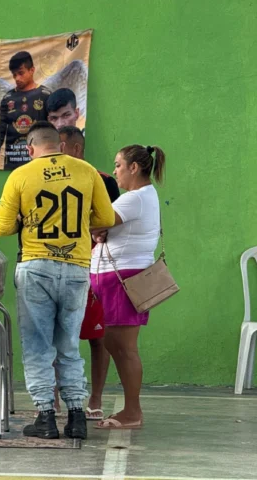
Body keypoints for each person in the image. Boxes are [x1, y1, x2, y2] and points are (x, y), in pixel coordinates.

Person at [0, 121, 115, 440]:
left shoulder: (21, 175)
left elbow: (2, 227)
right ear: (60, 146)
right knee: (69, 345)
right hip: (76, 267)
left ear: (30, 149)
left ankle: (46, 416)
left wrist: (22, 219)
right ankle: (76, 416)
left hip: (35, 266)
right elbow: (106, 218)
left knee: (37, 345)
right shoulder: (87, 171)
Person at [90, 144, 166, 430]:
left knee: (124, 348)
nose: (115, 171)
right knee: (115, 344)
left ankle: (133, 412)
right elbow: (101, 228)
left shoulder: (135, 198)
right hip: (116, 278)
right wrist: (100, 231)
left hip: (122, 279)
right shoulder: (138, 198)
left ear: (134, 168)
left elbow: (94, 223)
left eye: (118, 165)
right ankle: (131, 409)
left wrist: (98, 229)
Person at [55, 126, 121, 420]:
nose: (55, 152)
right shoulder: (43, 178)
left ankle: (95, 398)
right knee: (53, 335)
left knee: (98, 336)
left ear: (76, 149)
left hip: (93, 266)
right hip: (53, 263)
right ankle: (52, 398)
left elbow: (112, 223)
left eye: (60, 146)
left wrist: (96, 232)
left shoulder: (103, 181)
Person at [0, 51, 51, 171]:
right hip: (13, 161)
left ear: (32, 70)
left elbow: (54, 127)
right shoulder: (8, 98)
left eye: (21, 73)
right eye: (14, 75)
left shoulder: (45, 95)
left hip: (39, 160)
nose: (17, 78)